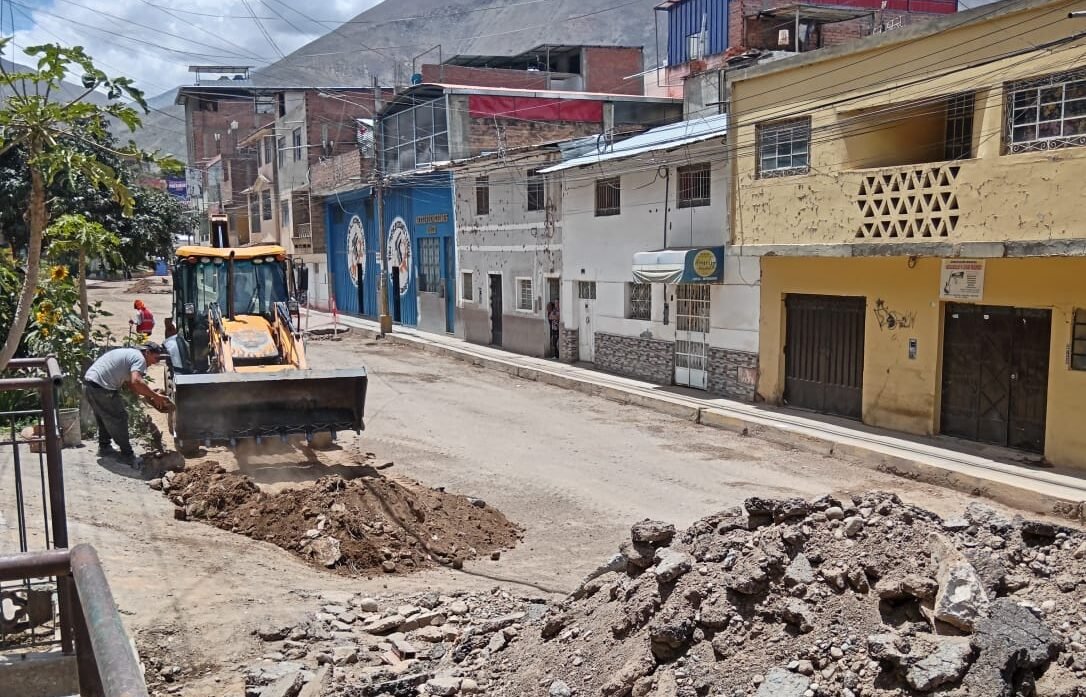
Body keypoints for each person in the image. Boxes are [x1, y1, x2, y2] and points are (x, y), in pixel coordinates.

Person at [83, 343, 170, 465]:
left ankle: (104, 448)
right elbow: (136, 381)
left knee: (104, 416)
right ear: (147, 353)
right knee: (120, 417)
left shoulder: (130, 354)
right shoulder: (139, 358)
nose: (156, 362)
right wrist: (155, 396)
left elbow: (131, 383)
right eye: (156, 358)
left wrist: (148, 396)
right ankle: (127, 456)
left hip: (89, 384)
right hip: (102, 388)